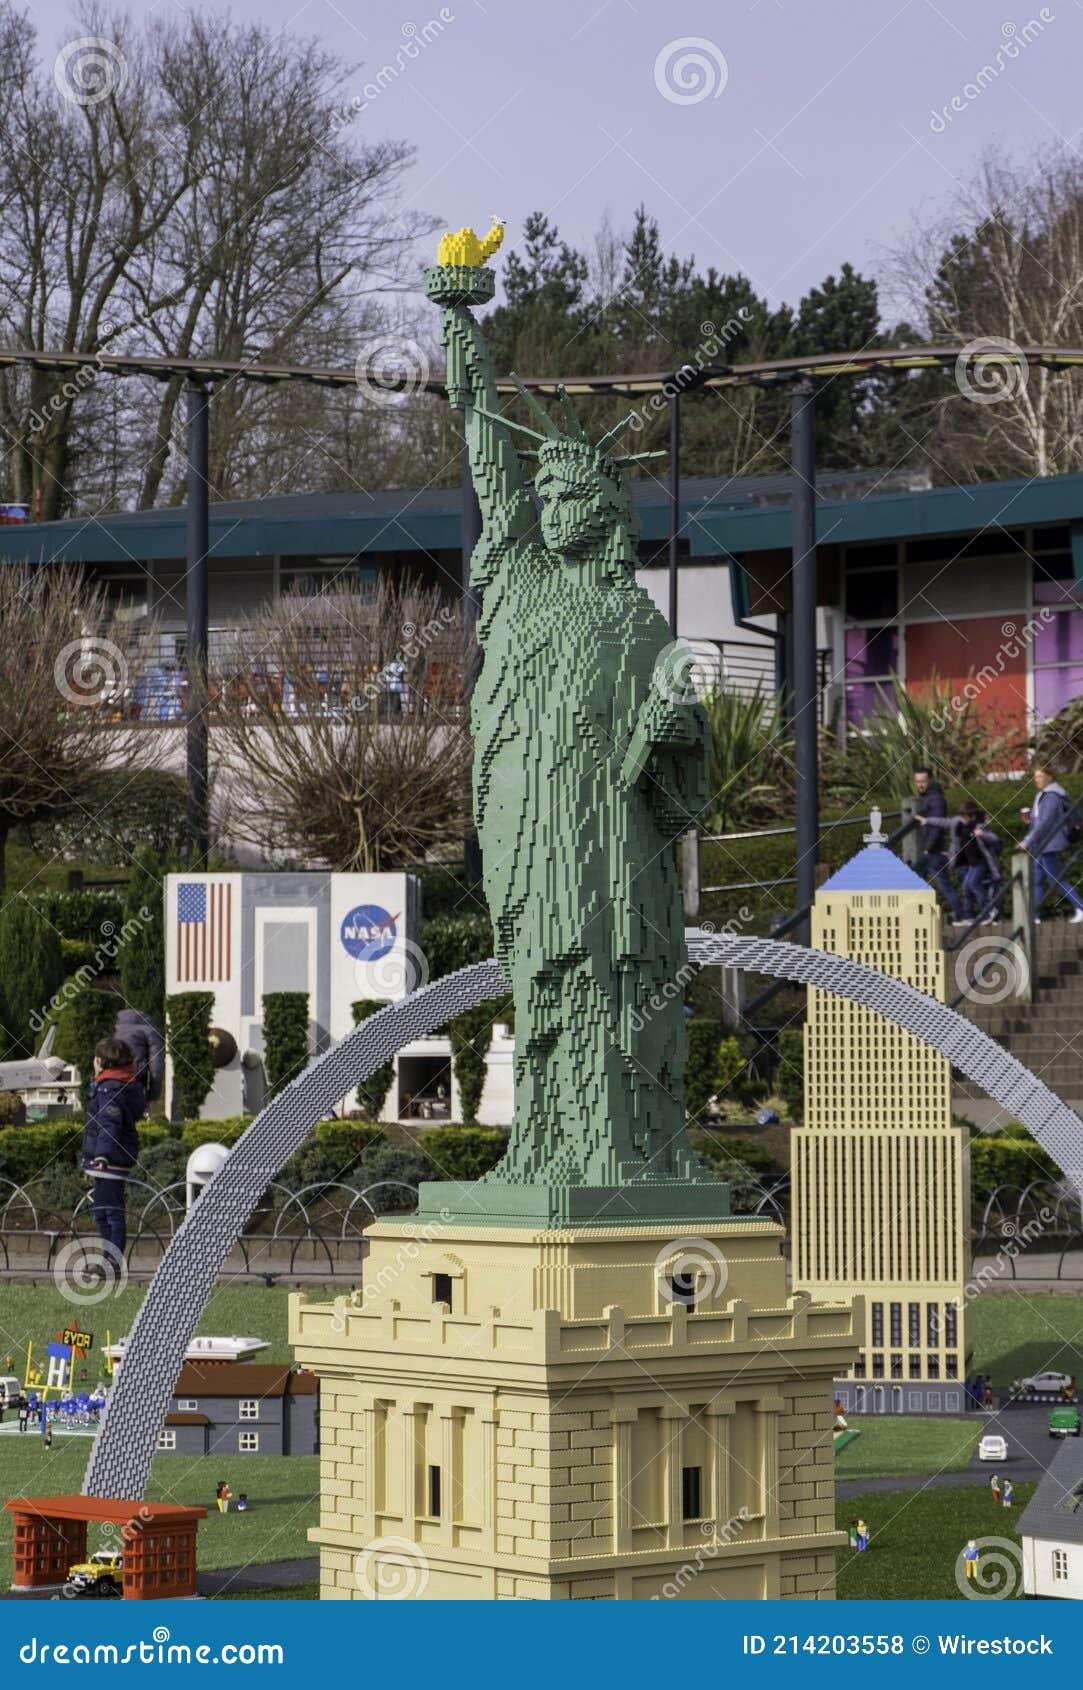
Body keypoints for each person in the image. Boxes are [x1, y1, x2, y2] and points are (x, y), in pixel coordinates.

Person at [81, 1037, 146, 1268]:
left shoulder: (110, 1088)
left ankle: (112, 1263)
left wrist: (102, 1156)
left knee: (110, 1213)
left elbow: (109, 1124)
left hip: (110, 1161)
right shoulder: (117, 1084)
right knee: (102, 1211)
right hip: (108, 1160)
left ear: (101, 1061)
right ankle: (107, 1259)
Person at [1019, 765, 1083, 924]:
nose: (1036, 780)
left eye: (1040, 776)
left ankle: (1081, 907)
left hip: (1049, 843)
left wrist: (1027, 841)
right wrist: (1030, 823)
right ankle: (1033, 916)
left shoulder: (1052, 796)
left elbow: (1046, 822)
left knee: (1056, 879)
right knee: (1038, 879)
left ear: (1050, 776)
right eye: (1035, 777)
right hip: (1042, 843)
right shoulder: (1044, 795)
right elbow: (1040, 821)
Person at [912, 768, 962, 918]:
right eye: (918, 782)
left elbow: (937, 827)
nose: (920, 785)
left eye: (923, 781)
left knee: (944, 885)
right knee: (918, 882)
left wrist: (928, 848)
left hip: (932, 851)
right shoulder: (926, 798)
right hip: (928, 850)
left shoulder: (936, 799)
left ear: (930, 781)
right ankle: (958, 913)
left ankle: (961, 914)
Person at [951, 802, 1003, 926]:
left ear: (972, 815)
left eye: (965, 816)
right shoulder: (963, 827)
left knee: (974, 883)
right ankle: (969, 917)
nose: (962, 818)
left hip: (982, 862)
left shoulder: (979, 826)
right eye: (961, 816)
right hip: (972, 864)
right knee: (966, 887)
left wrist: (982, 834)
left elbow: (994, 838)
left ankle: (989, 911)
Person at [114, 1008, 164, 1105]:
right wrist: (153, 1095)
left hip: (109, 1083)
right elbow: (156, 1066)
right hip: (136, 1081)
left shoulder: (113, 1029)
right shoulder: (150, 1032)